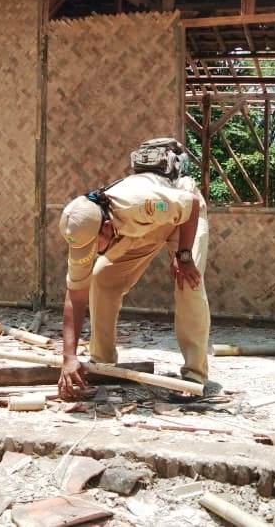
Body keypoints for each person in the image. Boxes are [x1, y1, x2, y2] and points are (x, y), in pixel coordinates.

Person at [57, 138, 211, 399]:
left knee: (188, 282)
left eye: (95, 246)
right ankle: (103, 363)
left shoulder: (141, 202)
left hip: (182, 215)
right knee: (101, 278)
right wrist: (68, 357)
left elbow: (190, 205)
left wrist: (183, 256)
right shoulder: (81, 229)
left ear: (105, 227)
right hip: (137, 229)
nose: (91, 253)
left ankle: (195, 376)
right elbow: (75, 295)